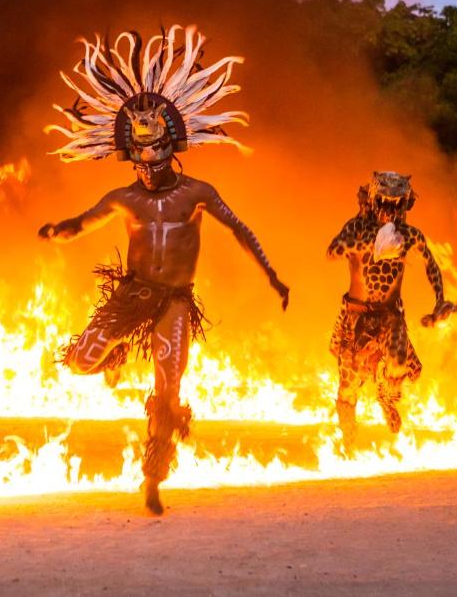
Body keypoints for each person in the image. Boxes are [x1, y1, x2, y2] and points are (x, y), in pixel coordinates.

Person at [39, 26, 289, 514]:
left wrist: (272, 275)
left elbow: (240, 229)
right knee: (81, 361)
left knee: (169, 388)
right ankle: (114, 358)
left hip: (175, 299)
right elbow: (82, 224)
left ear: (173, 145)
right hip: (132, 295)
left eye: (155, 150)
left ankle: (154, 477)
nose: (147, 162)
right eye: (138, 152)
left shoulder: (198, 193)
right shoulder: (123, 198)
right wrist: (56, 231)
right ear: (128, 152)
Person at [327, 171, 457, 452]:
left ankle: (386, 396)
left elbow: (432, 265)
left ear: (405, 205)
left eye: (396, 204)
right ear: (373, 200)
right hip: (356, 318)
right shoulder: (356, 228)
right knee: (348, 389)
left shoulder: (410, 236)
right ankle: (348, 443)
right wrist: (372, 245)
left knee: (400, 363)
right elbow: (333, 250)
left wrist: (440, 301)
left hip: (390, 316)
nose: (389, 209)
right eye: (384, 202)